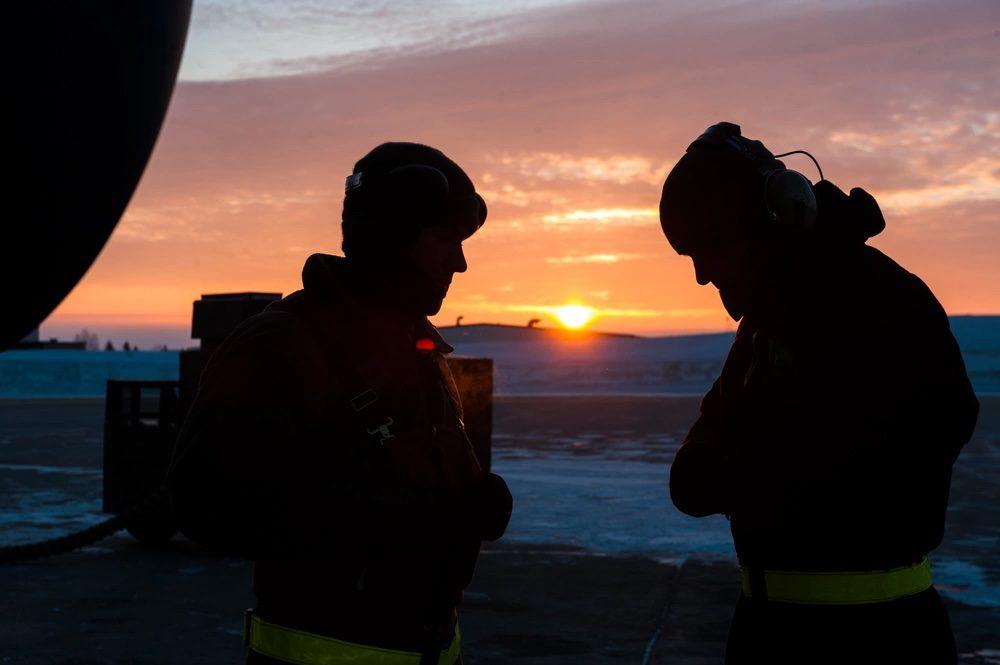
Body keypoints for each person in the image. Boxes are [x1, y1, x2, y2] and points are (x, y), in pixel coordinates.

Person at [167, 142, 512, 665]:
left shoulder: (418, 347)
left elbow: (409, 478)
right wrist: (368, 521)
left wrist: (466, 501)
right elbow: (204, 505)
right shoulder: (282, 344)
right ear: (393, 235)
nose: (460, 263)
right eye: (446, 240)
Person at [659, 122, 978, 664]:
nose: (702, 275)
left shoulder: (880, 300)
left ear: (771, 216)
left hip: (875, 640)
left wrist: (769, 457)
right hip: (772, 632)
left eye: (710, 248)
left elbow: (938, 424)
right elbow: (693, 476)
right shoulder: (768, 321)